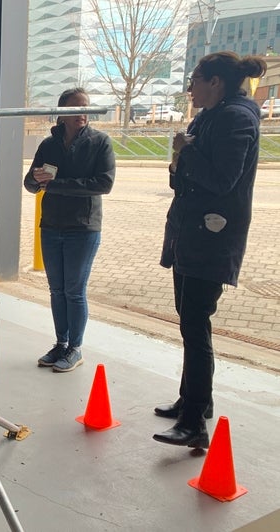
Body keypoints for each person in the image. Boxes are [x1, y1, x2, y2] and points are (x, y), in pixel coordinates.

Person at [153, 52, 267, 449]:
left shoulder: (237, 118)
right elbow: (181, 176)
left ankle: (194, 423)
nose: (190, 88)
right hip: (190, 234)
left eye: (195, 80)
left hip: (211, 239)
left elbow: (222, 180)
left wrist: (186, 152)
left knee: (196, 324)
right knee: (189, 318)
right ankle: (194, 403)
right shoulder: (209, 115)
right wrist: (179, 158)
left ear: (215, 81)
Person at [23, 87, 116, 373]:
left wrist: (56, 184)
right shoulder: (49, 145)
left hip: (82, 229)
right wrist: (37, 181)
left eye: (85, 107)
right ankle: (60, 343)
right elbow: (29, 183)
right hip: (51, 227)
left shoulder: (100, 142)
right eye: (76, 108)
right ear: (62, 113)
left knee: (74, 291)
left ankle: (75, 348)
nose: (82, 113)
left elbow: (104, 184)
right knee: (56, 290)